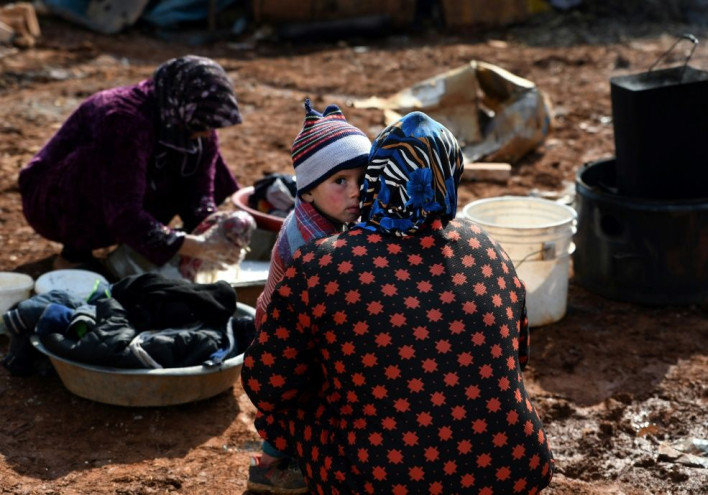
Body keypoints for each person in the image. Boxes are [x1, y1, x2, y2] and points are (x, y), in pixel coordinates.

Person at [242, 112, 554, 494]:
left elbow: (267, 386)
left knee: (298, 392)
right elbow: (519, 356)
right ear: (449, 176)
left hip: (386, 480)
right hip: (515, 472)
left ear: (377, 176)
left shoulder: (322, 264)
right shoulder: (485, 247)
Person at [18, 55, 245, 277]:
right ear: (181, 102)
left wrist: (211, 230)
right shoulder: (124, 120)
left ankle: (149, 242)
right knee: (112, 170)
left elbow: (201, 191)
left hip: (124, 184)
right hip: (54, 199)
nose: (207, 131)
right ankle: (74, 253)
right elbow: (123, 210)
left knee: (195, 154)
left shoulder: (187, 119)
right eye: (203, 124)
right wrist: (194, 246)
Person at [246, 98, 372, 494]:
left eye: (362, 179)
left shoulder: (331, 217)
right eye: (340, 182)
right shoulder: (311, 241)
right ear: (307, 192)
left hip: (304, 325)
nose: (356, 192)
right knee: (293, 404)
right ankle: (267, 467)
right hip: (286, 338)